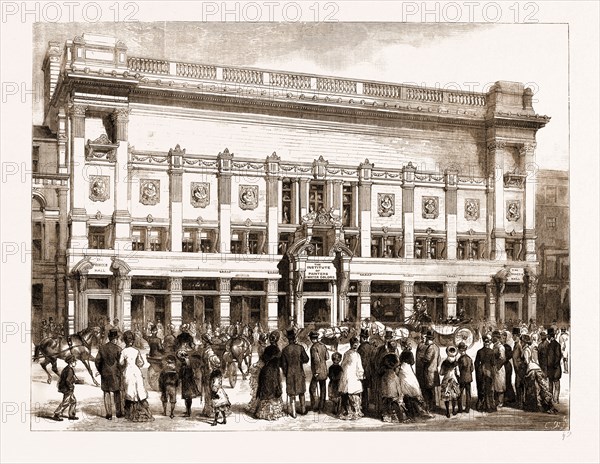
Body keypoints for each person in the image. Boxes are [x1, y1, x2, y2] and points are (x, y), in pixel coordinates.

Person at [119, 331, 154, 422]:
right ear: (133, 341)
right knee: (139, 391)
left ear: (125, 340)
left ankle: (131, 413)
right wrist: (136, 364)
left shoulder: (123, 351)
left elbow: (120, 363)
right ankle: (145, 412)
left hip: (128, 372)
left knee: (130, 392)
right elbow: (141, 363)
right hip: (136, 371)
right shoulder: (136, 351)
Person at [252, 330, 285, 421]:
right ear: (277, 340)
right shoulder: (278, 350)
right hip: (274, 372)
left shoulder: (267, 349)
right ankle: (273, 413)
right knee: (274, 390)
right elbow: (280, 363)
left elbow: (263, 359)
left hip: (266, 371)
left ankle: (263, 413)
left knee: (265, 390)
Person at [521, 334, 557, 413]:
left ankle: (535, 406)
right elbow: (536, 360)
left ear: (524, 342)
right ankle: (549, 406)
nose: (521, 343)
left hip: (531, 370)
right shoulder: (532, 348)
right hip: (537, 368)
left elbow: (527, 362)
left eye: (522, 341)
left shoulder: (526, 349)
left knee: (533, 388)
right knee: (543, 387)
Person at [94, 328, 123, 420]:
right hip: (115, 374)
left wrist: (100, 371)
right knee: (117, 392)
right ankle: (118, 413)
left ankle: (109, 414)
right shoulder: (119, 349)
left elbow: (97, 361)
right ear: (115, 339)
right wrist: (120, 371)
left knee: (106, 392)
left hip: (105, 374)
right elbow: (121, 363)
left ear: (109, 338)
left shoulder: (102, 348)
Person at [280, 328, 309, 418]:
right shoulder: (300, 348)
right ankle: (303, 410)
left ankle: (293, 412)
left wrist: (285, 373)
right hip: (299, 372)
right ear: (295, 338)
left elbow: (283, 364)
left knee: (291, 393)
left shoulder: (285, 350)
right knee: (301, 392)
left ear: (288, 339)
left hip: (290, 373)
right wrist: (299, 360)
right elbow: (306, 359)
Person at [338, 336, 364, 420]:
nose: (356, 346)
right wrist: (360, 375)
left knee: (347, 394)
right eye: (355, 345)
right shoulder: (356, 355)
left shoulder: (346, 353)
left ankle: (348, 412)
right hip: (352, 376)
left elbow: (342, 364)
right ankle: (354, 412)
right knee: (353, 394)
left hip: (347, 376)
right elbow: (359, 367)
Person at [380, 353, 408, 423]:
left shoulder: (384, 376)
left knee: (386, 407)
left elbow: (382, 387)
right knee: (396, 407)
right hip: (394, 396)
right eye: (398, 366)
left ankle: (386, 417)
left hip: (385, 396)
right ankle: (400, 418)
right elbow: (398, 388)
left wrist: (383, 394)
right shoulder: (395, 376)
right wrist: (400, 396)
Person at [52, 355, 79, 421]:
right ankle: (57, 414)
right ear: (71, 362)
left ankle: (71, 415)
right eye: (74, 361)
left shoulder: (68, 368)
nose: (75, 363)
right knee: (66, 402)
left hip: (66, 387)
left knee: (73, 401)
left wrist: (75, 381)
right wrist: (71, 387)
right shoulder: (69, 370)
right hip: (67, 388)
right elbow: (67, 380)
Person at [475, 334, 496, 412]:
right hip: (489, 371)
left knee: (481, 388)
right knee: (489, 389)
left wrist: (479, 369)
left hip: (481, 370)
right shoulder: (491, 351)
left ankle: (481, 405)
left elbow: (476, 363)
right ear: (489, 343)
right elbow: (493, 363)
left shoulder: (479, 351)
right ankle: (489, 406)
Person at [309, 331, 329, 413]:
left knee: (312, 389)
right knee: (323, 388)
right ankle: (322, 406)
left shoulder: (313, 348)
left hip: (317, 372)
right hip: (324, 370)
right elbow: (327, 357)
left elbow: (316, 360)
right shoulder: (323, 345)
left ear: (311, 339)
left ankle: (314, 406)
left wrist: (316, 371)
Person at [177, 349, 201, 417]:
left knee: (187, 397)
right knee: (187, 397)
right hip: (189, 382)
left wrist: (179, 377)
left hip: (187, 383)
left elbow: (182, 374)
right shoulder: (187, 363)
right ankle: (188, 410)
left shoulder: (185, 365)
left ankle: (188, 412)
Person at [357, 328, 375, 414]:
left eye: (360, 337)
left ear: (363, 338)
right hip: (371, 371)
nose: (359, 339)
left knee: (363, 390)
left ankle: (365, 407)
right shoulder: (371, 347)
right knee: (369, 389)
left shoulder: (361, 347)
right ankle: (369, 407)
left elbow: (361, 361)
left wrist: (361, 371)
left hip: (364, 371)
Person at [422, 330, 440, 413]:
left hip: (429, 371)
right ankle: (434, 405)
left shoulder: (430, 348)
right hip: (435, 370)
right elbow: (439, 359)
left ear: (429, 339)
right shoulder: (436, 347)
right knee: (433, 389)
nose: (426, 340)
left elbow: (427, 359)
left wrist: (422, 359)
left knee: (429, 390)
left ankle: (430, 406)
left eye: (427, 339)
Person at [440, 346, 460, 418]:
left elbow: (441, 373)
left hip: (446, 379)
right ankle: (454, 410)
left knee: (446, 396)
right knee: (454, 396)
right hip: (454, 379)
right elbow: (458, 373)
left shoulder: (444, 362)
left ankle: (448, 412)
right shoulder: (456, 362)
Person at [546, 328, 562, 404]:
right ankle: (554, 399)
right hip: (553, 368)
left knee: (553, 384)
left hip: (554, 368)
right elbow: (558, 356)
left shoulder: (551, 345)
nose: (547, 337)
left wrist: (551, 365)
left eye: (548, 335)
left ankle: (554, 399)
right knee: (553, 385)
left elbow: (558, 357)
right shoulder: (556, 345)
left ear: (550, 336)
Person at [456, 342, 473, 413]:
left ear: (460, 350)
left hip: (462, 378)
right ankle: (467, 409)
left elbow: (459, 369)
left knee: (459, 393)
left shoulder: (460, 359)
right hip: (469, 378)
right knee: (468, 393)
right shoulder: (469, 358)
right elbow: (472, 369)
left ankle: (460, 409)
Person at [491, 330, 506, 408]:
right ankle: (496, 401)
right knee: (495, 385)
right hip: (495, 368)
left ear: (496, 338)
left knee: (500, 385)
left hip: (499, 369)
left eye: (493, 337)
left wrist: (497, 366)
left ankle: (500, 402)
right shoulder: (494, 346)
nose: (491, 339)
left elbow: (503, 359)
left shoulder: (501, 347)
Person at [512, 328, 526, 408]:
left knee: (519, 386)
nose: (513, 337)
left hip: (519, 369)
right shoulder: (516, 344)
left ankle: (520, 403)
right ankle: (520, 402)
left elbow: (518, 358)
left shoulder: (518, 345)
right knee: (519, 386)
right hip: (518, 369)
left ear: (517, 336)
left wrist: (518, 369)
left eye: (514, 335)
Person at [502, 331, 516, 404]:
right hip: (505, 365)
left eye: (505, 337)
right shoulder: (503, 346)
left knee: (507, 381)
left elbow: (509, 356)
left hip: (507, 366)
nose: (503, 338)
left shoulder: (507, 347)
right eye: (502, 336)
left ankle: (510, 397)